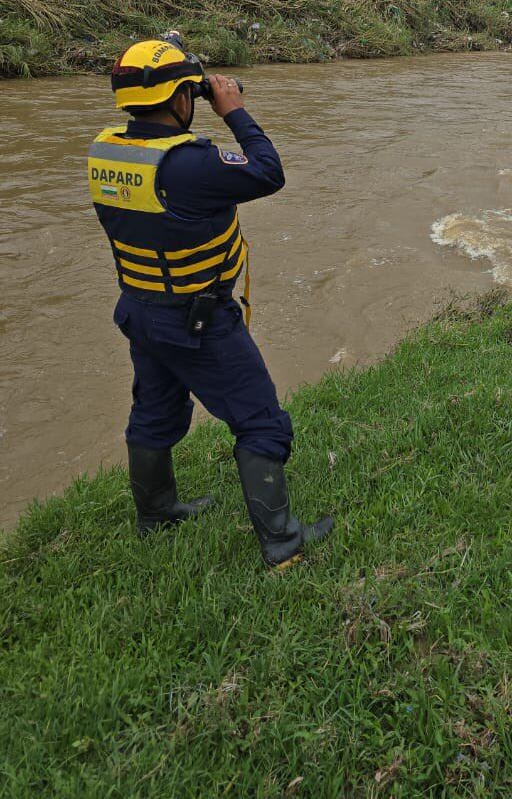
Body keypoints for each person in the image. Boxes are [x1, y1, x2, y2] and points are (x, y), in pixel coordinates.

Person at [87, 34, 333, 568]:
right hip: (198, 320)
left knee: (154, 411)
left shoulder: (106, 152)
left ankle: (156, 515)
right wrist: (235, 112)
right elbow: (269, 171)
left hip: (141, 310)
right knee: (261, 421)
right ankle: (282, 543)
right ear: (181, 99)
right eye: (191, 96)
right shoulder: (192, 165)